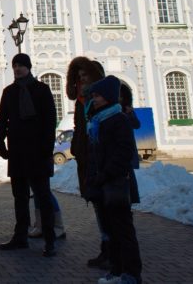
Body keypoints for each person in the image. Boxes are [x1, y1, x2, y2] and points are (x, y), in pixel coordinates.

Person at [0, 53, 58, 256]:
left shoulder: (41, 90)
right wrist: (0, 142)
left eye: (21, 65)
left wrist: (47, 148)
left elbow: (50, 120)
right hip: (18, 151)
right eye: (15, 65)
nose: (18, 69)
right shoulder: (9, 92)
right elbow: (2, 119)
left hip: (38, 152)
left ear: (29, 67)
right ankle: (20, 236)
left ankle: (50, 239)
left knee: (43, 196)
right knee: (19, 197)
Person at [81, 76, 142, 284]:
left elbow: (123, 154)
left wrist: (105, 174)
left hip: (115, 184)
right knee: (112, 231)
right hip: (103, 184)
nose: (94, 99)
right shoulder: (98, 121)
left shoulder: (118, 121)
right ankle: (116, 271)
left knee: (123, 231)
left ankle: (131, 274)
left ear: (107, 97)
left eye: (97, 95)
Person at [67, 56, 110, 268]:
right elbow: (79, 128)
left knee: (110, 207)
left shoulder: (104, 101)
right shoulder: (81, 103)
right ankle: (106, 246)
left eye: (85, 76)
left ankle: (114, 250)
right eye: (79, 77)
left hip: (103, 162)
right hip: (87, 160)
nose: (82, 80)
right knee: (98, 205)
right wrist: (76, 147)